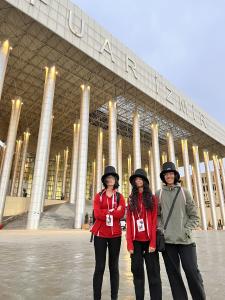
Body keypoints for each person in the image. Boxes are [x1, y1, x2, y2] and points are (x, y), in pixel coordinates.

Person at [157, 162, 206, 300]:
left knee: (192, 272)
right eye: (166, 174)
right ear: (163, 177)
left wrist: (186, 230)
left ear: (175, 175)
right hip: (168, 242)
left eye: (171, 173)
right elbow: (157, 215)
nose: (169, 176)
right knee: (174, 276)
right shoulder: (159, 194)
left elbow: (194, 216)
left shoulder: (185, 192)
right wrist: (161, 228)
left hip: (186, 241)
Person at [91, 165, 126, 300]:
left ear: (115, 180)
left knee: (114, 267)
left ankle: (114, 297)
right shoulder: (98, 196)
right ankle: (97, 297)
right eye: (108, 178)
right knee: (99, 267)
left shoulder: (120, 197)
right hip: (100, 235)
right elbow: (97, 213)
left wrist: (107, 212)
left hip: (115, 236)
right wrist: (111, 211)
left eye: (112, 177)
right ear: (105, 180)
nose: (110, 180)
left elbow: (121, 213)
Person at [126, 168, 162, 300]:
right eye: (136, 179)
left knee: (154, 275)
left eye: (140, 179)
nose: (138, 181)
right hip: (135, 242)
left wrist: (153, 242)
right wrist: (129, 243)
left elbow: (153, 222)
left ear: (145, 181)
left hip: (149, 242)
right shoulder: (131, 199)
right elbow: (129, 222)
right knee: (137, 275)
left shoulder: (152, 198)